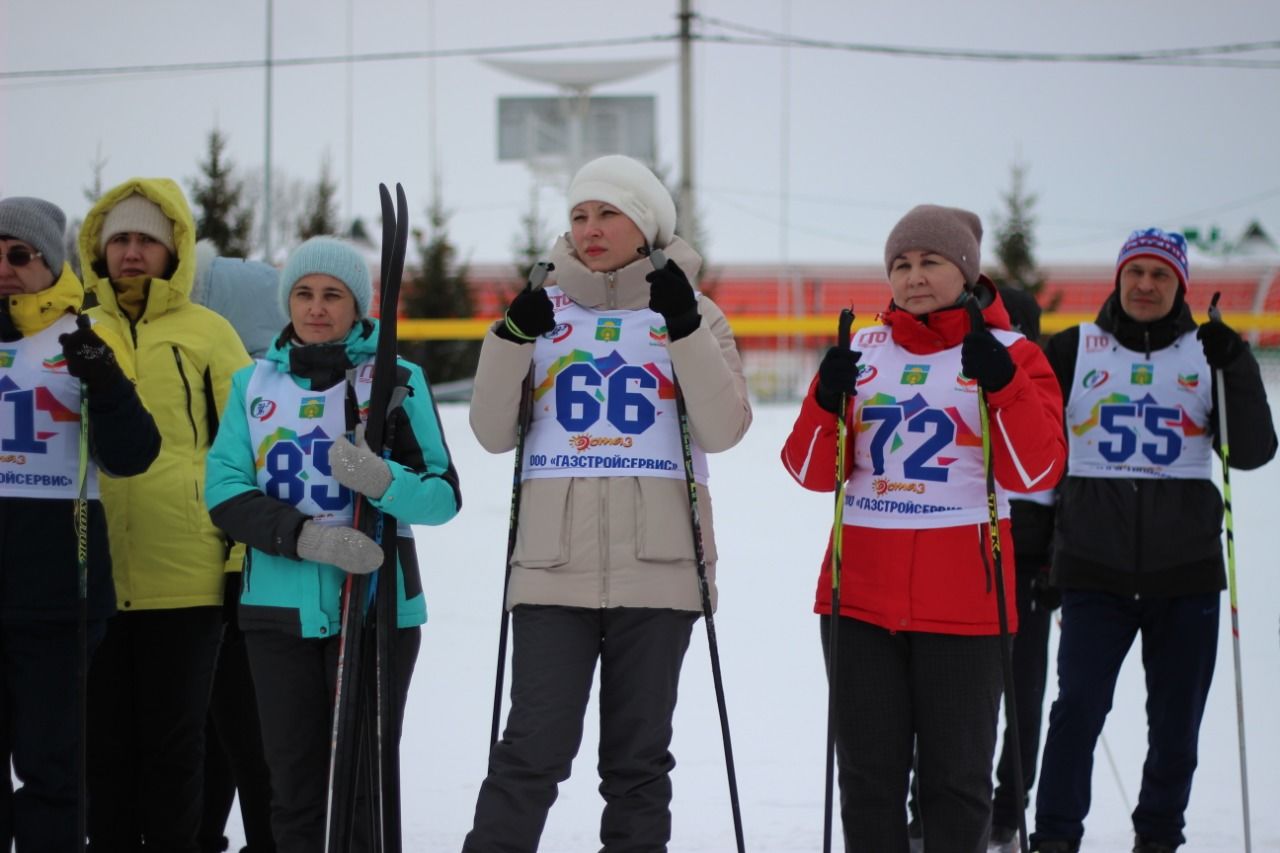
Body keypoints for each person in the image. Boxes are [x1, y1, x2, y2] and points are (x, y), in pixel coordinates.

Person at [462, 154, 752, 852]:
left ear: (645, 223)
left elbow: (725, 427)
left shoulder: (696, 312)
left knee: (637, 762)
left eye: (608, 213)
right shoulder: (541, 310)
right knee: (530, 749)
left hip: (660, 568)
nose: (590, 228)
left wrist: (682, 328)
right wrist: (509, 339)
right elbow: (490, 433)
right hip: (550, 568)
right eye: (579, 215)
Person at [780, 205, 1065, 853]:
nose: (913, 276)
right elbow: (807, 470)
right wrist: (826, 399)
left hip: (964, 605)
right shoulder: (863, 347)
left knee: (956, 783)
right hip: (857, 600)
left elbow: (1037, 468)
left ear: (965, 269)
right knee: (868, 779)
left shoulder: (1014, 351)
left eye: (930, 261)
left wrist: (1005, 386)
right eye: (901, 264)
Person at [205, 236, 461, 853]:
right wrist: (304, 538)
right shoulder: (252, 382)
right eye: (302, 294)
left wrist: (384, 481)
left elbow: (444, 494)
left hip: (378, 608)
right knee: (291, 788)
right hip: (276, 610)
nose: (316, 308)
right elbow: (223, 489)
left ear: (358, 306)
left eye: (332, 295)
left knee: (364, 789)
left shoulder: (397, 379)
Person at [1029, 229, 1277, 853]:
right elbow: (1033, 451)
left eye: (1160, 275)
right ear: (1118, 278)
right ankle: (1056, 838)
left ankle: (1159, 837)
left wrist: (1237, 364)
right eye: (1135, 272)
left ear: (1180, 286)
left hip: (1185, 572)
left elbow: (1250, 453)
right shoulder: (1074, 348)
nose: (1145, 285)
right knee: (1077, 713)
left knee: (1175, 729)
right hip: (1092, 567)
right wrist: (1040, 555)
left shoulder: (1208, 351)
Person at [78, 178, 254, 852]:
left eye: (145, 239)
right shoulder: (71, 329)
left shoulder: (210, 334)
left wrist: (237, 555)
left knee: (177, 752)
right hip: (92, 571)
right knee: (103, 753)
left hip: (187, 576)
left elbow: (247, 452)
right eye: (119, 238)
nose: (130, 252)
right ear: (99, 245)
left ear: (173, 247)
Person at [0, 197, 160, 851]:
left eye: (19, 255)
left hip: (56, 601)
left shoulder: (77, 339)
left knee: (53, 769)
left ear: (51, 262)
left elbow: (134, 454)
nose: (5, 269)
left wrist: (108, 385)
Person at [191, 242, 284, 853]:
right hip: (229, 566)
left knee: (232, 732)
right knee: (233, 732)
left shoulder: (236, 372)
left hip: (226, 569)